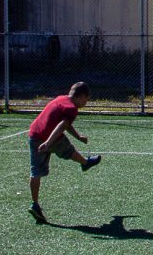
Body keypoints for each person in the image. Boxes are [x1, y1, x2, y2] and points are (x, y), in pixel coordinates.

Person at [27, 81, 102, 224]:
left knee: (35, 171)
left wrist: (78, 136)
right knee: (68, 149)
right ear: (81, 96)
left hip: (34, 135)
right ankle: (85, 163)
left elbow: (65, 124)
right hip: (49, 137)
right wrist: (48, 143)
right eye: (87, 99)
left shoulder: (61, 99)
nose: (86, 102)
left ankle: (34, 204)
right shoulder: (72, 108)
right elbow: (62, 126)